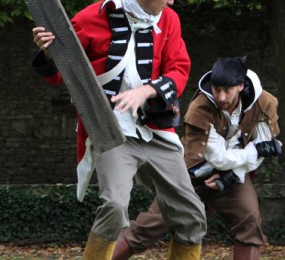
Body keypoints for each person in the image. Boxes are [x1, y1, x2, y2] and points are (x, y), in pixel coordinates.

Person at [30, 0, 206, 259]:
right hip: (110, 130)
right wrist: (47, 51)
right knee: (113, 206)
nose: (170, 1)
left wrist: (146, 91)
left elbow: (178, 69)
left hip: (155, 130)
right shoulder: (90, 17)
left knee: (191, 214)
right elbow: (60, 74)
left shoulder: (169, 19)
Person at [112, 56, 282, 260]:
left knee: (249, 221)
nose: (220, 96)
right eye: (216, 89)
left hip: (231, 177)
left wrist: (231, 175)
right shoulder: (200, 108)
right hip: (189, 174)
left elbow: (263, 146)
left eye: (226, 90)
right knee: (148, 227)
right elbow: (220, 158)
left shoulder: (263, 103)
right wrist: (253, 152)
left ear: (240, 86)